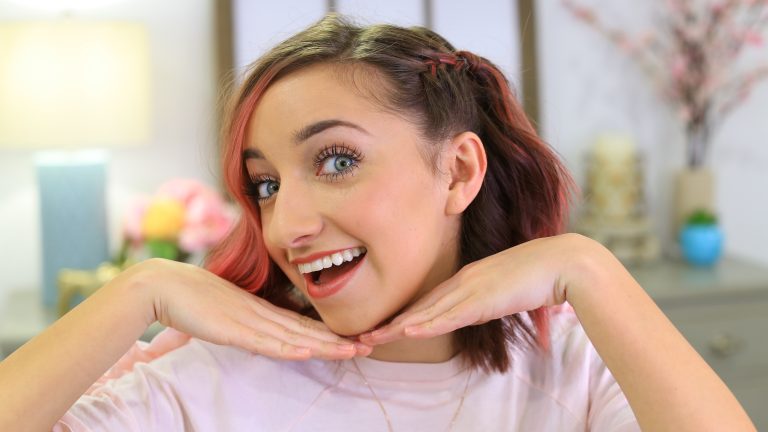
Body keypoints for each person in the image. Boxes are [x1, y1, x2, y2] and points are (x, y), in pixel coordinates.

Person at [0, 14, 756, 432]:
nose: (285, 225)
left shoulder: (565, 368)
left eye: (335, 161)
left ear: (458, 171)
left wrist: (588, 268)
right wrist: (142, 290)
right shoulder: (211, 379)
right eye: (264, 185)